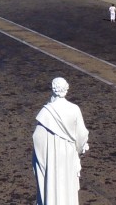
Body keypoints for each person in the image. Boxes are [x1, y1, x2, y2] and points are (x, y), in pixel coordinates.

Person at [33, 77, 89, 205]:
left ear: (53, 89)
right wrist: (79, 150)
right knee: (67, 186)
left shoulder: (46, 111)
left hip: (52, 156)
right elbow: (82, 135)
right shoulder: (74, 109)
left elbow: (37, 137)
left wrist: (42, 158)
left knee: (52, 184)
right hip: (68, 155)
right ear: (66, 89)